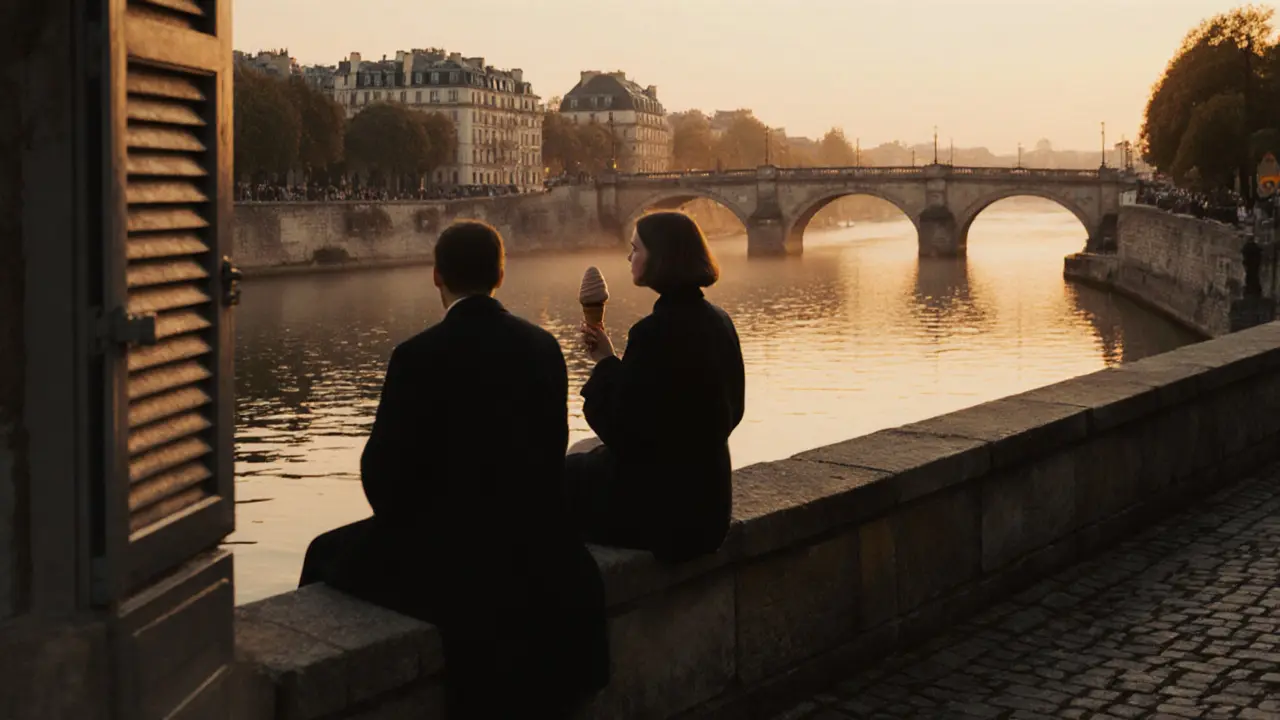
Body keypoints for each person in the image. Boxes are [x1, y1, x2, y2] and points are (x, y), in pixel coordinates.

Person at [299, 221, 609, 718]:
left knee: (323, 553)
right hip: (536, 545)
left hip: (453, 555)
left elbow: (382, 477)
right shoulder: (543, 347)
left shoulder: (415, 356)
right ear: (500, 276)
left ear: (436, 276)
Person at [567, 211, 746, 563]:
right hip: (709, 505)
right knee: (586, 455)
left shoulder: (654, 332)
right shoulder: (718, 321)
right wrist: (612, 359)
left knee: (564, 476)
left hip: (666, 516)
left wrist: (604, 365)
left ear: (660, 257)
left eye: (635, 249)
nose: (629, 257)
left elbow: (623, 429)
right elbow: (676, 408)